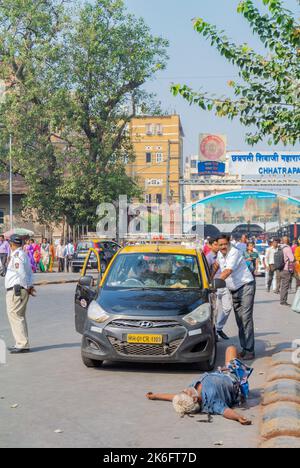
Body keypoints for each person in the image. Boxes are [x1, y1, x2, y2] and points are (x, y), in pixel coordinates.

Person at [146, 346, 253, 425]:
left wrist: (155, 396)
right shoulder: (213, 402)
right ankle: (240, 363)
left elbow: (172, 397)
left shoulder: (191, 394)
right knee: (230, 349)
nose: (184, 389)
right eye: (185, 392)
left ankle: (237, 361)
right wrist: (238, 417)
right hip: (232, 376)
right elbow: (226, 411)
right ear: (195, 398)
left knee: (231, 352)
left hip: (220, 373)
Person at [213, 235, 256, 360]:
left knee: (246, 318)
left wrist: (214, 284)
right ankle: (245, 348)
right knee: (239, 320)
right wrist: (209, 279)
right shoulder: (221, 254)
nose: (223, 247)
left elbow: (227, 271)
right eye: (220, 245)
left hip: (246, 287)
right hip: (234, 290)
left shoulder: (234, 252)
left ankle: (250, 350)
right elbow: (216, 265)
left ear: (229, 243)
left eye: (225, 244)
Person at [5, 234, 36, 353]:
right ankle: (21, 342)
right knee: (19, 316)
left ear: (11, 244)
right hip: (20, 288)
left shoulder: (17, 256)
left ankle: (22, 344)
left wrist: (27, 287)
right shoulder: (23, 254)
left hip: (16, 289)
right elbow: (30, 273)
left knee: (15, 315)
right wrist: (30, 286)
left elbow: (22, 273)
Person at [206, 238, 232, 341]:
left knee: (227, 308)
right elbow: (207, 273)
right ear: (211, 245)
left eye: (219, 245)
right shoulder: (208, 258)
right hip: (214, 287)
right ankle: (214, 334)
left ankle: (218, 328)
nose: (218, 247)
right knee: (215, 312)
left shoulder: (224, 255)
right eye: (216, 245)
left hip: (224, 285)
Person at [279, 236, 294, 306]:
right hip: (286, 269)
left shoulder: (280, 247)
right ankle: (283, 301)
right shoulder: (288, 248)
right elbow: (292, 259)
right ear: (288, 241)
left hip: (281, 268)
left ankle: (282, 300)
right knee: (285, 286)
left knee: (283, 285)